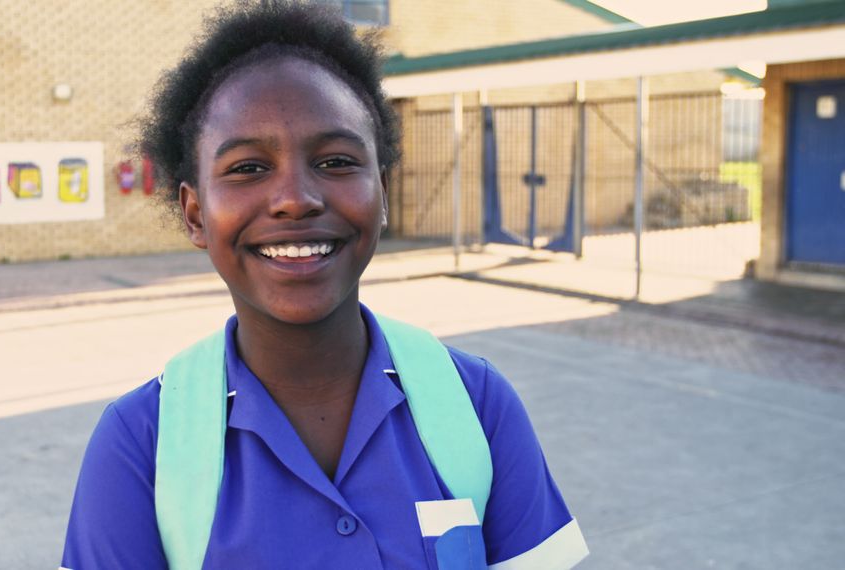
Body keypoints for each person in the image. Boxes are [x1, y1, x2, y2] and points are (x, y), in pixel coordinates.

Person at [61, 2, 588, 568]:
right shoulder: (143, 443)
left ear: (381, 193)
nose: (295, 199)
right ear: (195, 213)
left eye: (336, 161)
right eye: (247, 168)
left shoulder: (476, 405)